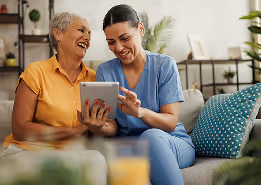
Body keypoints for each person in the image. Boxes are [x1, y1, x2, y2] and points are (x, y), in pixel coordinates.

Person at [78, 4, 195, 185]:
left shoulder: (164, 66)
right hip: (130, 148)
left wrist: (140, 113)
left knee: (151, 138)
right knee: (125, 162)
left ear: (140, 29)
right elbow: (112, 127)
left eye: (124, 38)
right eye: (111, 42)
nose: (118, 48)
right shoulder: (104, 72)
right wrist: (96, 126)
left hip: (171, 143)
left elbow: (170, 123)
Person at [0, 12, 107, 185]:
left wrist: (96, 127)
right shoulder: (36, 72)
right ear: (58, 34)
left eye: (89, 33)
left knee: (97, 160)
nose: (87, 37)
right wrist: (73, 131)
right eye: (81, 30)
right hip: (25, 152)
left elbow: (99, 130)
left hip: (70, 155)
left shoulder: (95, 79)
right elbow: (20, 128)